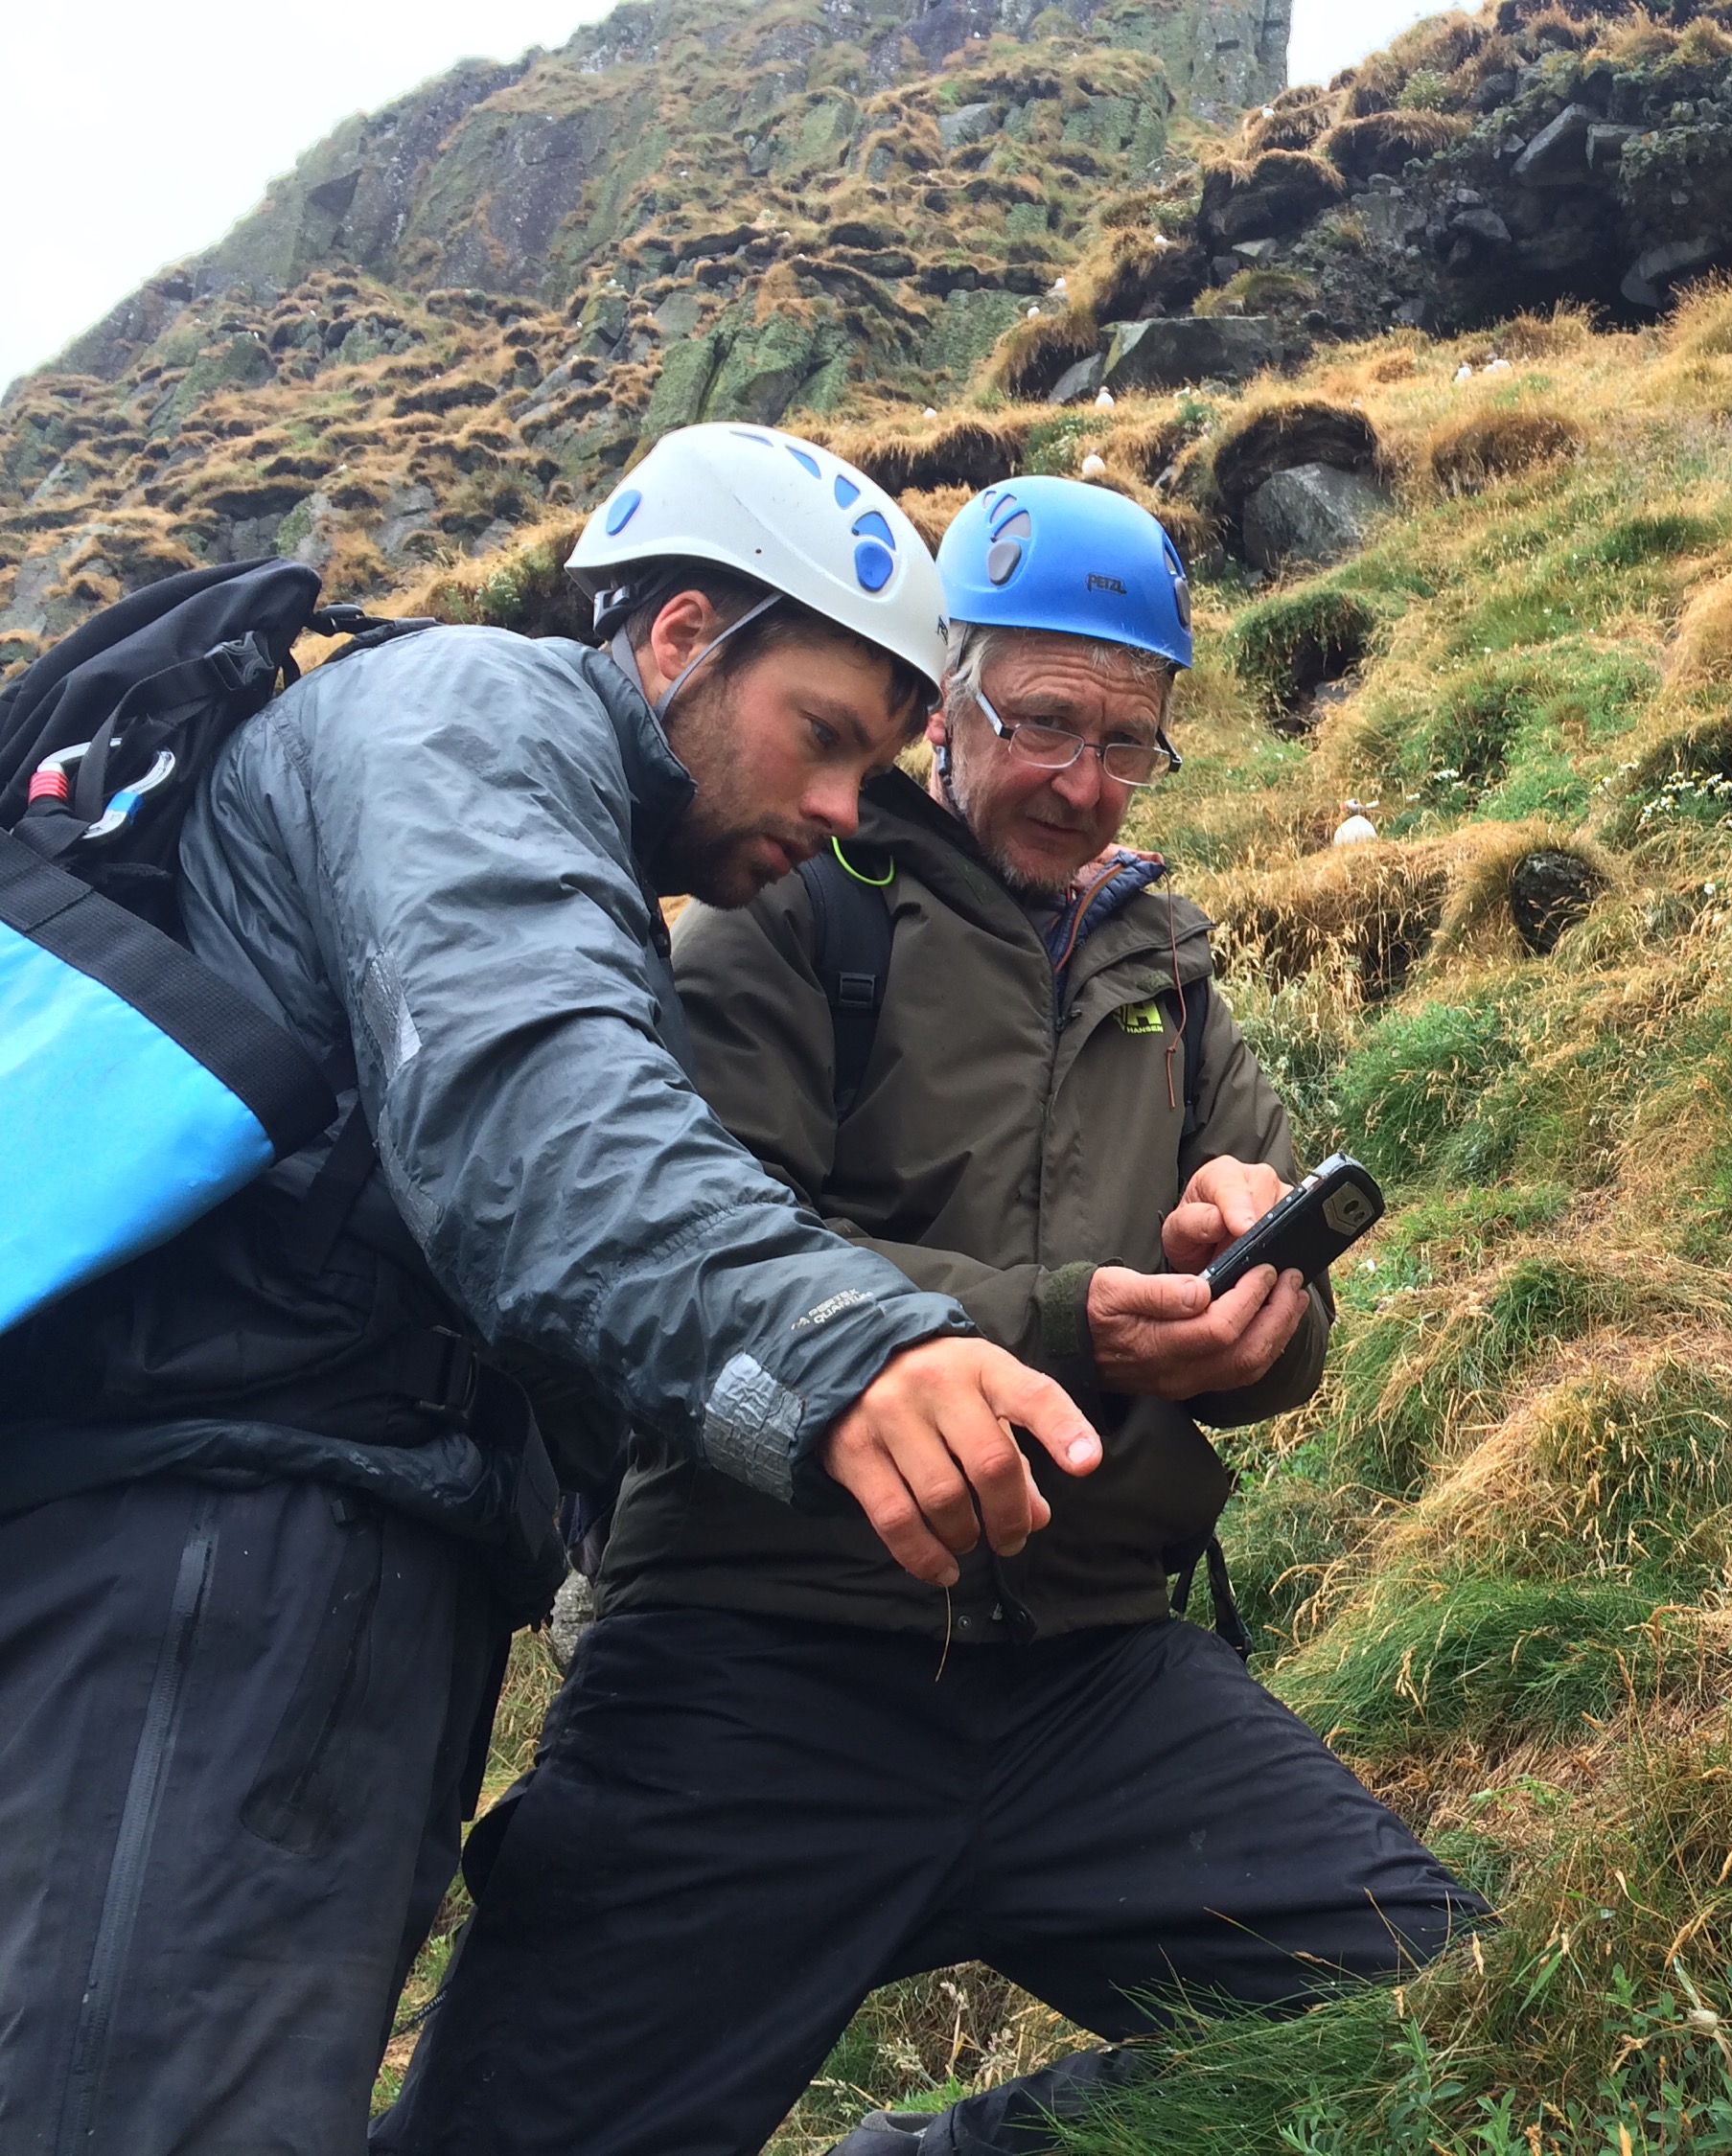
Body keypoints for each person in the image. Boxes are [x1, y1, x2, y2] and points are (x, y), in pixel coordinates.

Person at [0, 424, 1102, 2156]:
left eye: (876, 769)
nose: (838, 816)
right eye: (822, 740)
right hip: (222, 1550)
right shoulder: (471, 715)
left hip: (324, 1563)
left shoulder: (563, 826)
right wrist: (841, 1342)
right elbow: (531, 1113)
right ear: (677, 640)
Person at [373, 477, 1487, 2156]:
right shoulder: (789, 908)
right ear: (943, 700)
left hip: (1095, 1670)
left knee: (1438, 2008)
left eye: (1130, 740)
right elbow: (706, 1259)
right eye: (1042, 720)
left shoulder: (1168, 976)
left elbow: (1268, 1304)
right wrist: (1069, 1322)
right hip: (760, 1651)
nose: (1081, 780)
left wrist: (1260, 1308)